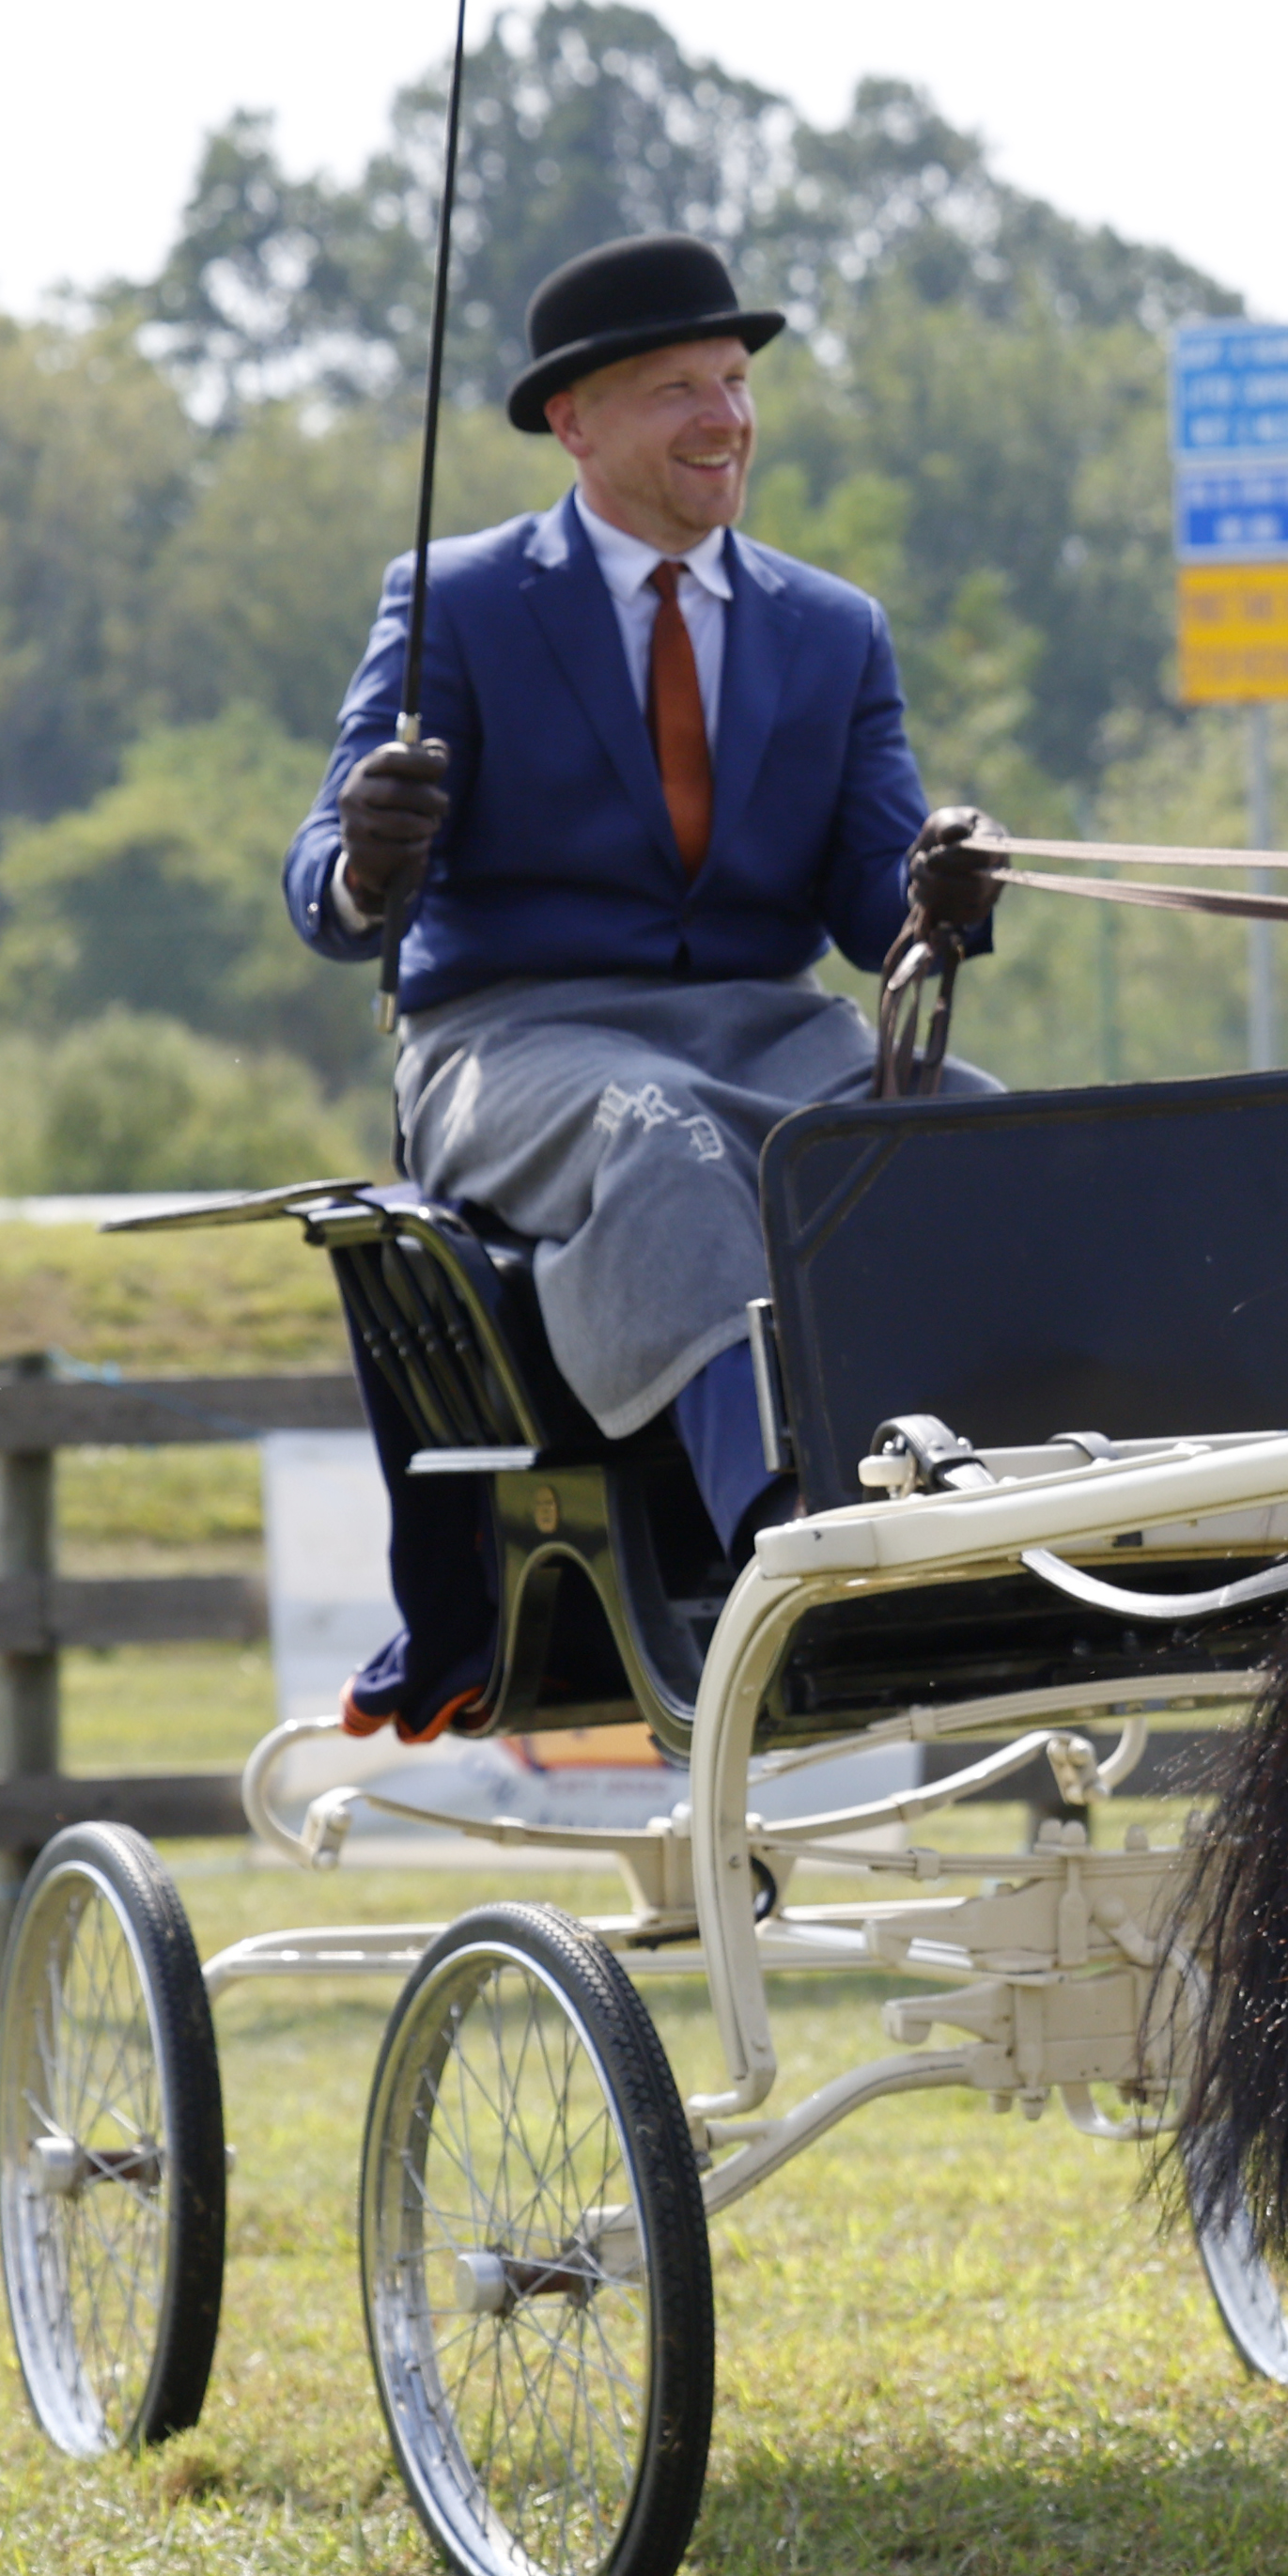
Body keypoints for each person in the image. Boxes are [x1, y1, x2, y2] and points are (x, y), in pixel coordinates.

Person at [291, 227, 1012, 1736]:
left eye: (737, 381)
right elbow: (329, 890)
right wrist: (368, 856)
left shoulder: (832, 630)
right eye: (680, 386)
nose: (725, 417)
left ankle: (1027, 1497)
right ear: (575, 420)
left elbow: (872, 909)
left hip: (767, 1024)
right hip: (512, 1038)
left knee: (980, 1125)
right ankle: (789, 1541)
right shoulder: (458, 600)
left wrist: (937, 898)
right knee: (663, 1138)